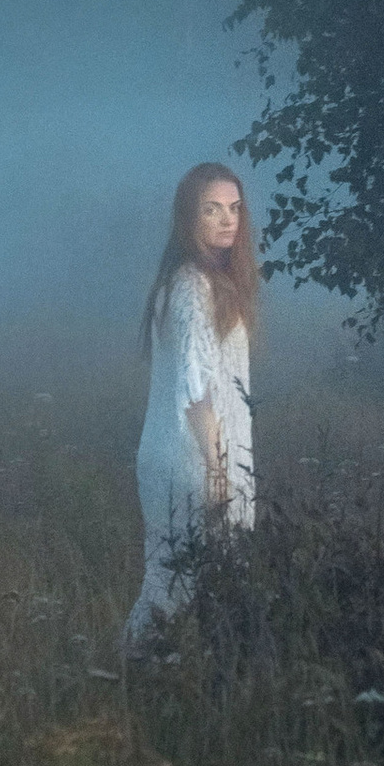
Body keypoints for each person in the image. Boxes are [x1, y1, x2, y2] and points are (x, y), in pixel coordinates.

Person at [124, 161, 259, 650]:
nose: (228, 220)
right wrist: (220, 474)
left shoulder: (205, 283)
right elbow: (195, 390)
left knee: (184, 581)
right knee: (177, 582)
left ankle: (164, 678)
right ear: (189, 218)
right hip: (193, 460)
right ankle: (134, 674)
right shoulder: (191, 285)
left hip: (189, 455)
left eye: (235, 208)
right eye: (212, 209)